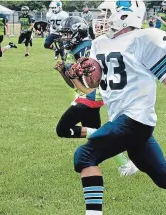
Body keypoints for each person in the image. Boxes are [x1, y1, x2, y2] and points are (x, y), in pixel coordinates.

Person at [58, 1, 166, 215]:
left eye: (108, 13)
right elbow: (94, 85)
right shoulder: (99, 42)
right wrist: (76, 75)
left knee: (85, 155)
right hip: (123, 119)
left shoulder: (143, 39)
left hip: (137, 118)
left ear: (125, 15)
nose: (103, 18)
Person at [53, 16, 137, 176]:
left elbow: (89, 86)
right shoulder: (75, 50)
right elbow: (73, 83)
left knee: (62, 129)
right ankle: (126, 165)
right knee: (96, 136)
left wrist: (75, 80)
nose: (64, 38)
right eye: (63, 34)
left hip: (91, 96)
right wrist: (63, 72)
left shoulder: (86, 49)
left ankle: (117, 146)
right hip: (88, 95)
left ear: (79, 32)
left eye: (67, 34)